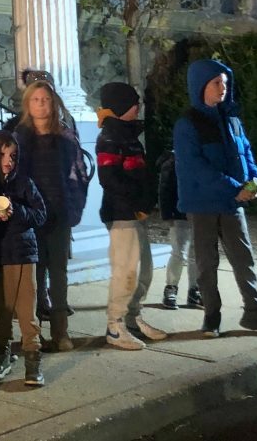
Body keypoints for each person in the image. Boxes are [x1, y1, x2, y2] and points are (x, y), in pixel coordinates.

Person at [173, 59, 257, 338]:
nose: (223, 87)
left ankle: (255, 314)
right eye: (216, 82)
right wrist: (235, 188)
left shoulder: (232, 120)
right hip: (203, 205)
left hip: (232, 203)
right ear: (201, 85)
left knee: (243, 258)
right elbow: (196, 167)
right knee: (206, 263)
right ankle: (211, 317)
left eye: (225, 82)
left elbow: (246, 154)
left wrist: (256, 181)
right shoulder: (187, 124)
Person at [14, 80, 89, 351]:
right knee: (35, 275)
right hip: (32, 216)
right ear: (28, 104)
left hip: (59, 213)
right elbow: (16, 176)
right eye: (35, 99)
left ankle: (61, 332)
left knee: (59, 273)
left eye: (46, 99)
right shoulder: (20, 138)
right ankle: (33, 333)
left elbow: (77, 174)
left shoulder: (65, 137)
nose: (41, 104)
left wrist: (74, 206)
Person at [0, 131, 47, 385]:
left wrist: (17, 212)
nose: (8, 160)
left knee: (26, 309)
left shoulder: (24, 183)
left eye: (12, 155)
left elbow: (40, 215)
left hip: (22, 253)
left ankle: (33, 357)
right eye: (1, 154)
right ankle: (2, 353)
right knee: (1, 311)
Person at [96, 82, 168, 350]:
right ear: (119, 106)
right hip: (121, 212)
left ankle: (133, 317)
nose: (138, 106)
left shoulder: (127, 136)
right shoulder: (111, 138)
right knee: (126, 270)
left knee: (144, 269)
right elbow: (110, 178)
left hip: (135, 212)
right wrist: (138, 199)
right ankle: (115, 325)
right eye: (132, 102)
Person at [158, 150, 201, 310]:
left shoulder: (190, 158)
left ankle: (192, 290)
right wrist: (168, 214)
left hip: (196, 213)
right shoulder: (173, 161)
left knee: (194, 253)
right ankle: (172, 288)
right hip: (180, 213)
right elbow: (165, 190)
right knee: (180, 253)